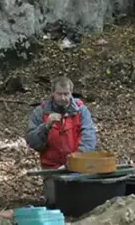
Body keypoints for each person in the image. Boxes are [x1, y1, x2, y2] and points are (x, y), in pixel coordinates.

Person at [26, 76, 97, 205]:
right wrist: (46, 126)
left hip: (78, 166)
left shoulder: (81, 110)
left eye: (66, 94)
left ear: (71, 93)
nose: (63, 98)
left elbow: (89, 138)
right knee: (56, 202)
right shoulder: (40, 112)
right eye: (59, 94)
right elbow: (33, 142)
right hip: (52, 168)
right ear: (53, 93)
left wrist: (75, 159)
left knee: (83, 201)